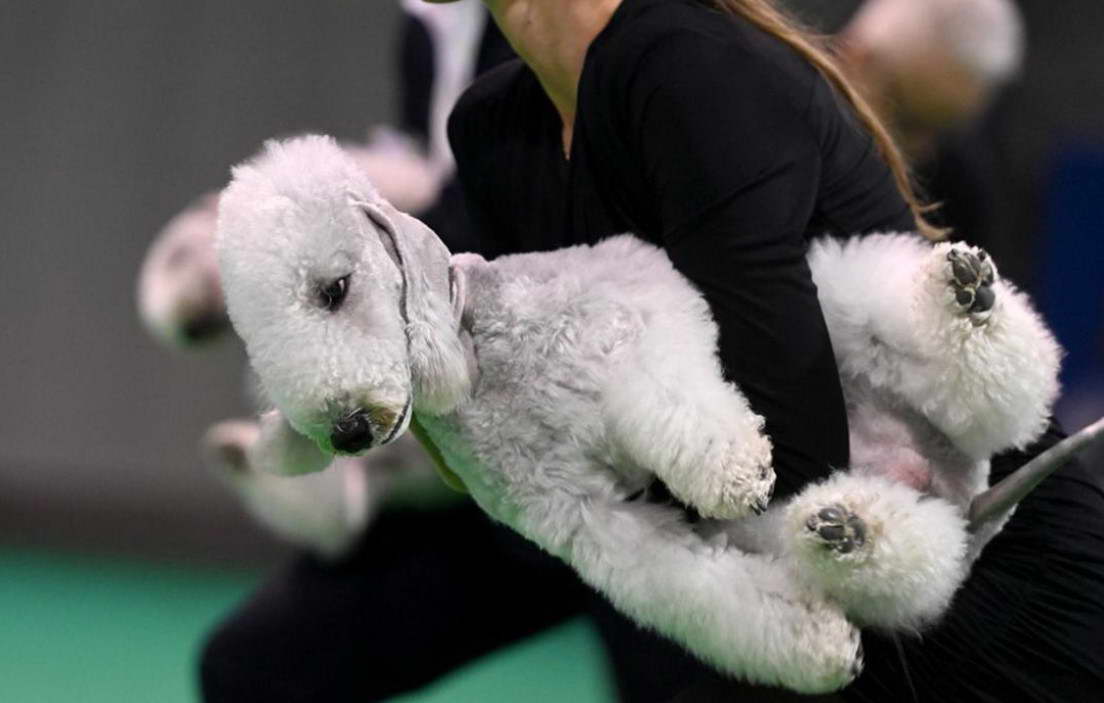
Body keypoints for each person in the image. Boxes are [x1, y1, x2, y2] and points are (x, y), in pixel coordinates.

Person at [442, 0, 1104, 701]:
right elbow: (559, 441)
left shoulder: (683, 62)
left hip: (999, 607)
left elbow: (795, 454)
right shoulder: (493, 132)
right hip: (799, 612)